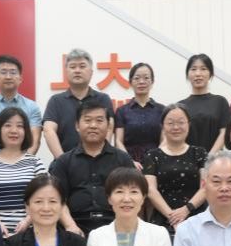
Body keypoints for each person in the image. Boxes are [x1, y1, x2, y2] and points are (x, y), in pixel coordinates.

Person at [49, 100, 136, 236]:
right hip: (75, 226)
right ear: (77, 125)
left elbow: (133, 196)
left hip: (115, 224)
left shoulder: (123, 159)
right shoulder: (63, 162)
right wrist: (71, 226)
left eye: (99, 120)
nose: (93, 125)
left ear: (108, 126)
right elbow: (57, 199)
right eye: (87, 120)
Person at [0, 107, 47, 236]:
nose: (14, 130)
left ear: (26, 131)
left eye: (20, 126)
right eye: (7, 125)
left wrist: (28, 220)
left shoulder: (36, 163)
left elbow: (45, 197)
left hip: (30, 234)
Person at [143, 103, 207, 236]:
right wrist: (172, 217)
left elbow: (206, 187)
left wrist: (186, 210)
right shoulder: (152, 155)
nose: (176, 127)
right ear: (163, 126)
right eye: (170, 123)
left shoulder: (200, 153)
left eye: (181, 122)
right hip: (163, 219)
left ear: (188, 124)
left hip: (196, 216)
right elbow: (150, 190)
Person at [43, 48, 115, 158]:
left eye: (82, 66)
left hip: (98, 162)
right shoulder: (56, 101)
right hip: (64, 163)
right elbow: (49, 130)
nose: (77, 71)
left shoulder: (103, 99)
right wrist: (63, 161)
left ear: (91, 72)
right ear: (66, 72)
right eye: (72, 67)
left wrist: (99, 157)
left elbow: (109, 128)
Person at [114, 62, 164, 167]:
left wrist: (154, 160)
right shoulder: (122, 111)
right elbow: (118, 141)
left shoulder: (162, 110)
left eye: (146, 78)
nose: (141, 82)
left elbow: (164, 141)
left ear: (152, 82)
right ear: (130, 82)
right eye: (137, 78)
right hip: (128, 165)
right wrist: (129, 161)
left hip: (156, 164)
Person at [179, 54, 231, 153]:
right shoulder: (180, 106)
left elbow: (224, 132)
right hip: (187, 159)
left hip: (215, 158)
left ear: (210, 74)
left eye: (203, 69)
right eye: (193, 69)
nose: (198, 74)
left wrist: (210, 157)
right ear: (187, 75)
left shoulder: (220, 101)